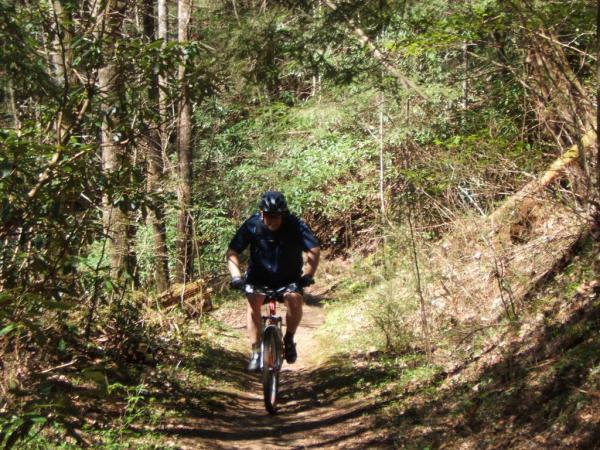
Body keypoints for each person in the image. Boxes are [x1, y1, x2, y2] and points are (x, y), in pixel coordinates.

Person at [226, 191, 321, 372]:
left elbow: (314, 250)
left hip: (289, 277)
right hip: (258, 278)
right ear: (262, 214)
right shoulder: (252, 225)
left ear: (283, 214)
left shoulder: (295, 225)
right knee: (253, 301)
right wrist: (236, 277)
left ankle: (289, 339)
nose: (272, 221)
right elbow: (232, 252)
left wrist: (308, 275)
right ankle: (255, 351)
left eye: (276, 216)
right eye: (268, 216)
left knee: (294, 299)